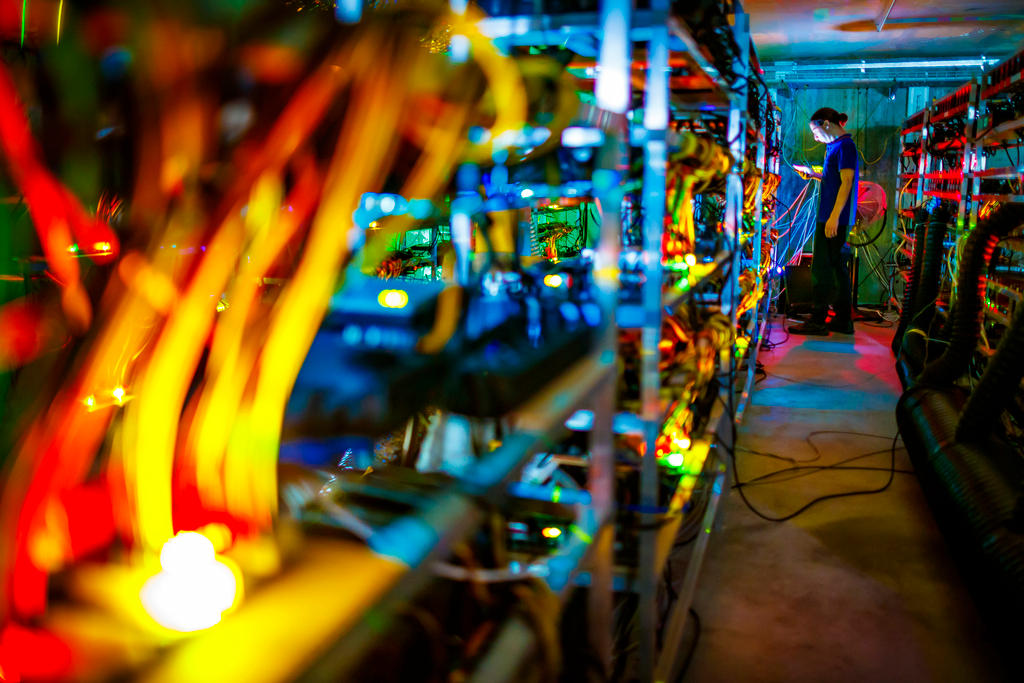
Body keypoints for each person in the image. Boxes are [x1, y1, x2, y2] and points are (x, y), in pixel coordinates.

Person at [789, 107, 860, 336]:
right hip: (831, 216)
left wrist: (833, 217)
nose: (814, 136)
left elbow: (847, 182)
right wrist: (815, 174)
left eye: (815, 130)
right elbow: (836, 179)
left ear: (827, 124)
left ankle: (818, 321)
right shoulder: (835, 147)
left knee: (822, 269)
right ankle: (842, 321)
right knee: (836, 268)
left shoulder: (845, 146)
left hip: (832, 218)